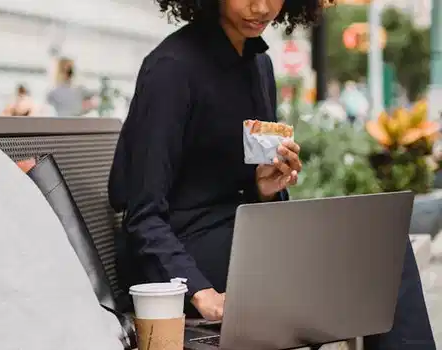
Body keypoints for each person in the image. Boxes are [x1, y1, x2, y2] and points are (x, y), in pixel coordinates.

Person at [107, 0, 436, 348]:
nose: (261, 7)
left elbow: (231, 187)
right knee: (375, 257)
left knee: (383, 245)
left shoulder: (258, 64)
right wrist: (199, 291)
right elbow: (143, 216)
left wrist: (264, 188)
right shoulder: (171, 69)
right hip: (176, 254)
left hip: (242, 238)